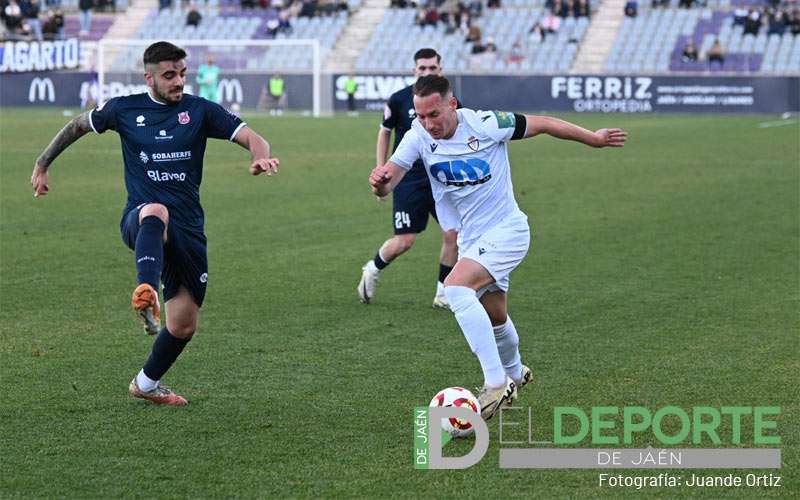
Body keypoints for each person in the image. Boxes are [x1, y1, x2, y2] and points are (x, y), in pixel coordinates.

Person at [30, 41, 280, 406]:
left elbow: (254, 138)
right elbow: (78, 125)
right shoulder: (124, 108)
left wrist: (260, 158)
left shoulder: (200, 110)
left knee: (183, 325)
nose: (179, 81)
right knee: (155, 211)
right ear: (149, 77)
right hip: (141, 218)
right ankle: (145, 290)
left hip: (189, 229)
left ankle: (145, 384)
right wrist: (42, 163)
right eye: (169, 75)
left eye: (182, 74)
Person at [368, 75, 627, 419]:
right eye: (421, 116)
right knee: (494, 315)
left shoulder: (487, 124)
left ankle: (495, 383)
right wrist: (380, 185)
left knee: (456, 289)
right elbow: (389, 184)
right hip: (472, 238)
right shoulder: (417, 136)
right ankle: (517, 373)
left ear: (452, 104)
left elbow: (545, 123)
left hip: (508, 231)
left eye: (434, 114)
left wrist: (592, 138)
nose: (428, 123)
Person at [358, 49, 459, 309]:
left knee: (453, 235)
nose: (426, 72)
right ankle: (373, 268)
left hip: (441, 177)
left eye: (432, 68)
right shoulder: (399, 99)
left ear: (440, 70)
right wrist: (382, 169)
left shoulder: (449, 100)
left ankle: (443, 293)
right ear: (414, 70)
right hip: (408, 178)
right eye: (422, 68)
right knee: (405, 240)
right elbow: (385, 133)